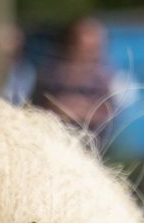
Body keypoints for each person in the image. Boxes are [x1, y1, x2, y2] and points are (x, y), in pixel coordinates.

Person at [30, 17, 119, 146]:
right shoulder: (50, 74)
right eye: (80, 45)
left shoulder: (105, 77)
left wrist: (80, 110)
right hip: (53, 144)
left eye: (92, 48)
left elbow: (112, 113)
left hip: (94, 147)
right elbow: (33, 107)